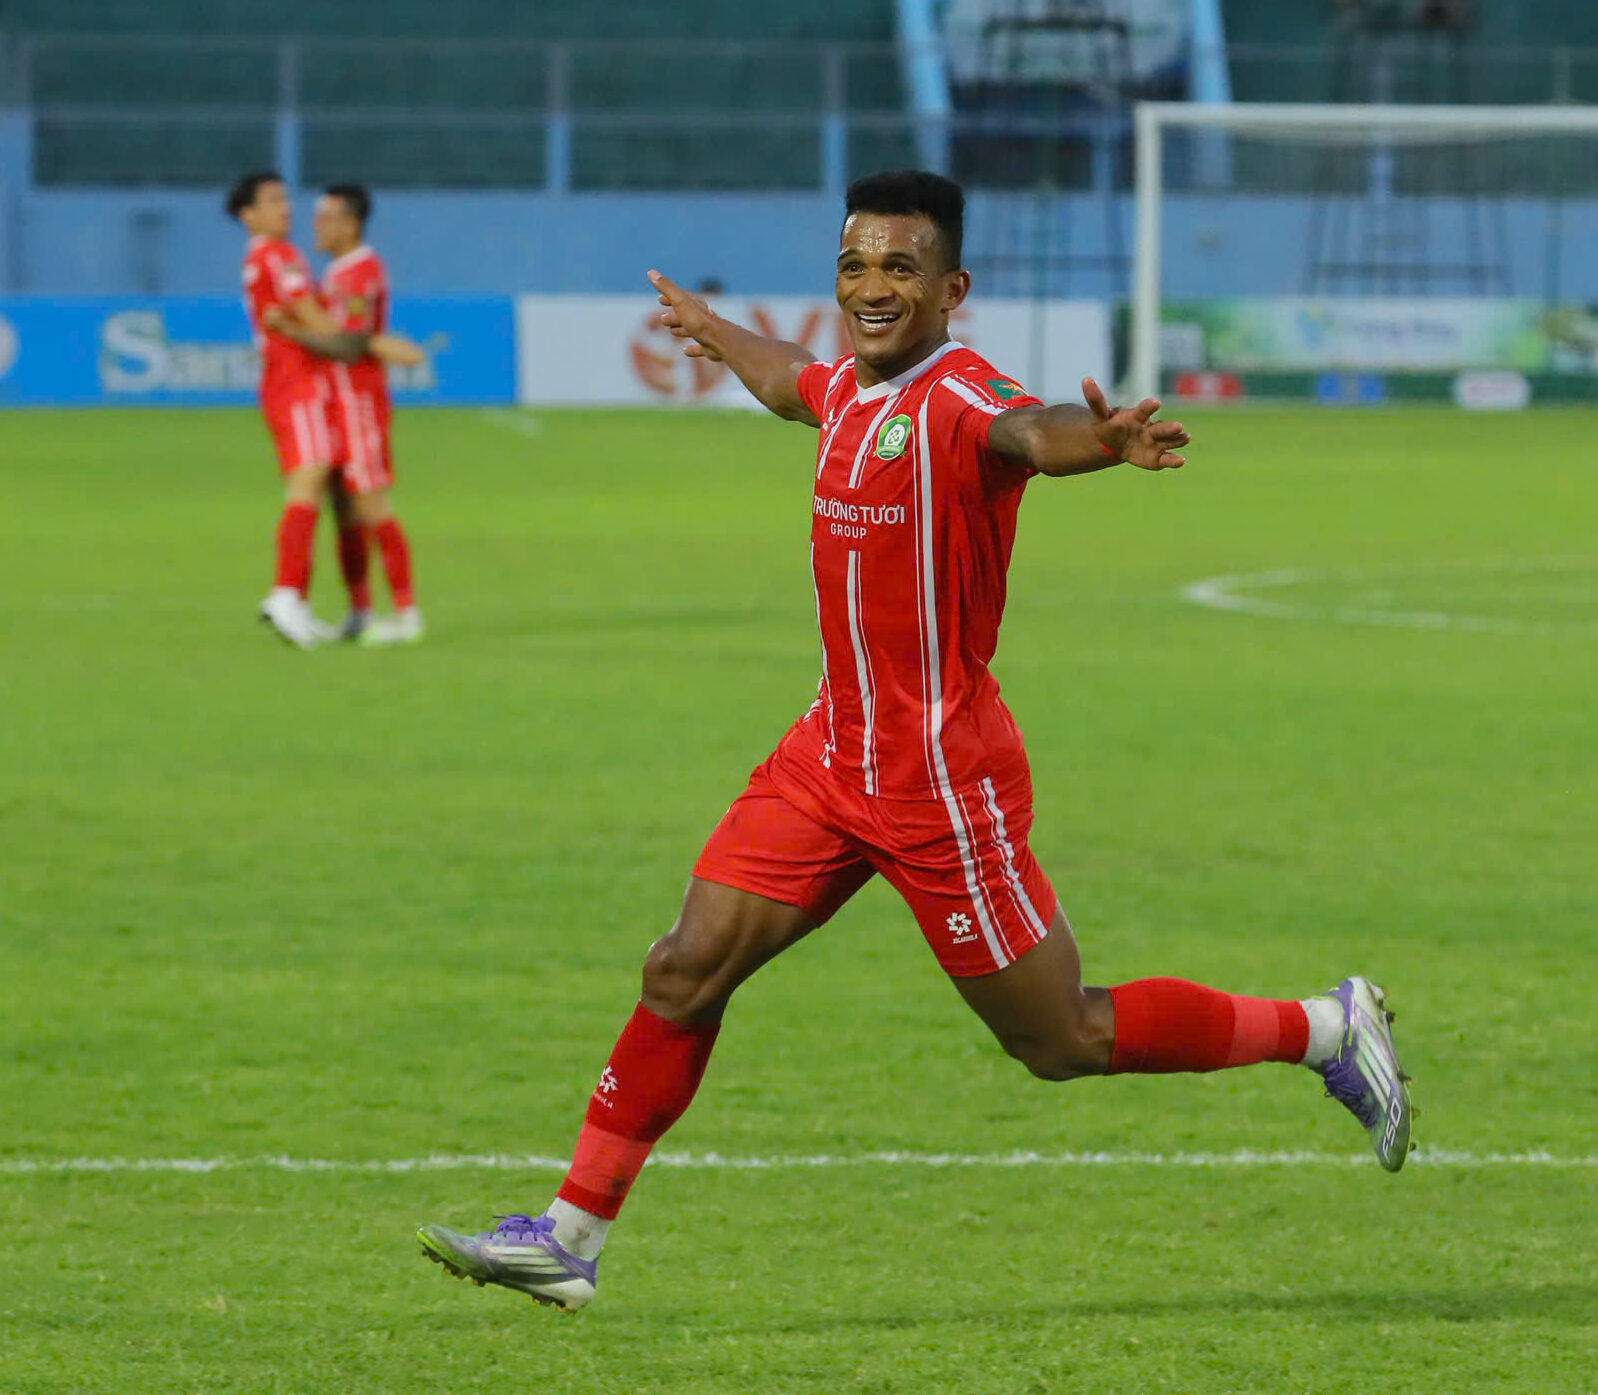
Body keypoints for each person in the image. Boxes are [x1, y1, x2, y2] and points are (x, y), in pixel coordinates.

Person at [416, 170, 1416, 1312]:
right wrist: (713, 329)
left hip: (939, 780)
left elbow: (1027, 433)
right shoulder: (849, 390)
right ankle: (568, 1236)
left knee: (1059, 1039)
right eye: (855, 265)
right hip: (828, 757)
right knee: (682, 969)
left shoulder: (960, 397)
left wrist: (1098, 440)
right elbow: (789, 381)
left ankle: (1324, 1029)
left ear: (952, 289)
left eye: (900, 267)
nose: (873, 286)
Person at [228, 171, 420, 648]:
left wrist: (362, 341)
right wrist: (376, 343)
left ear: (351, 224)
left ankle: (395, 611)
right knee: (325, 489)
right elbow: (331, 329)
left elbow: (340, 336)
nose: (294, 213)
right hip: (311, 388)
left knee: (355, 499)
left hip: (354, 399)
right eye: (275, 201)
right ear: (248, 215)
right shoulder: (283, 257)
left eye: (324, 215)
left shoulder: (356, 270)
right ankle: (312, 599)